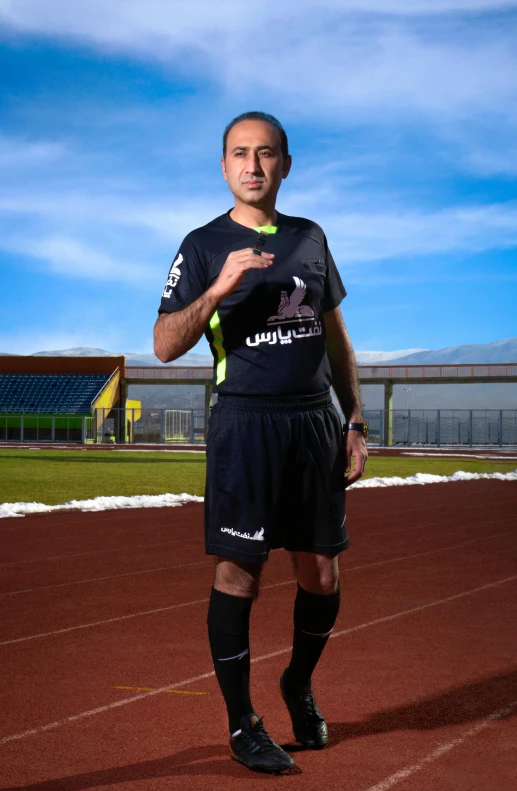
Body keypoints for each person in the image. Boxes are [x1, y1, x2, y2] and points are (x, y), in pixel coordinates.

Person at [154, 111, 368, 775]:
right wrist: (218, 288)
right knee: (238, 572)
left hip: (312, 424)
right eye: (239, 154)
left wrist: (353, 420)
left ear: (284, 164)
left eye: (265, 154)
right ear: (223, 166)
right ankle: (241, 722)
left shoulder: (309, 237)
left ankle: (296, 682)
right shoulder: (201, 244)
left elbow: (334, 336)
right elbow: (163, 344)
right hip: (244, 423)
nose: (252, 165)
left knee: (322, 572)